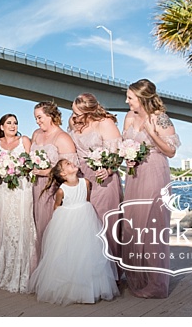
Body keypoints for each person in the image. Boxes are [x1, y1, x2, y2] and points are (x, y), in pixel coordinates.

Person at [30, 158, 119, 305]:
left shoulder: (86, 183)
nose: (72, 163)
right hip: (67, 222)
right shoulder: (61, 190)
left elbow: (87, 200)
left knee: (87, 252)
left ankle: (90, 290)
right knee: (69, 253)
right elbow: (57, 207)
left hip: (86, 219)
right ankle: (69, 289)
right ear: (63, 174)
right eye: (67, 164)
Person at [120, 79, 177, 298]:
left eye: (130, 97)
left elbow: (171, 151)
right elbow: (126, 145)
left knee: (153, 224)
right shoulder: (128, 117)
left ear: (142, 98)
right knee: (134, 223)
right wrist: (128, 158)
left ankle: (156, 282)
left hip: (154, 171)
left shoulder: (160, 117)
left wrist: (152, 134)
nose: (126, 101)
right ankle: (139, 276)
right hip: (134, 175)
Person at [69, 93, 123, 281]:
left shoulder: (105, 123)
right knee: (85, 223)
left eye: (78, 113)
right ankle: (90, 271)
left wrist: (108, 169)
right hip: (82, 179)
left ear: (90, 110)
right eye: (73, 111)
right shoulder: (74, 122)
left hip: (103, 179)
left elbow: (118, 153)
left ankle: (111, 274)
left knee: (104, 223)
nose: (74, 116)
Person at [0, 114, 38, 293]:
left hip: (23, 187)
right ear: (1, 126)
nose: (13, 125)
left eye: (15, 122)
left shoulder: (24, 140)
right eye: (9, 123)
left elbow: (31, 164)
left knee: (23, 223)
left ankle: (25, 271)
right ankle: (6, 268)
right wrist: (2, 171)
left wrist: (18, 168)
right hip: (5, 189)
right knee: (7, 225)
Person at [29, 101, 77, 256]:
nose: (37, 121)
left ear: (50, 116)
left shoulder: (62, 137)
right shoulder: (36, 134)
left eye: (40, 117)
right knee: (38, 225)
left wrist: (47, 172)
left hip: (53, 188)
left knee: (52, 225)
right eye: (36, 118)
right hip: (36, 187)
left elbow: (70, 170)